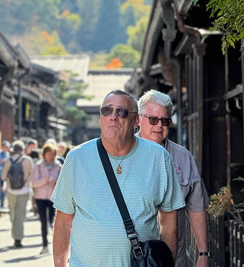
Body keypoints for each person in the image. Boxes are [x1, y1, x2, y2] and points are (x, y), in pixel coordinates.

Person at [51, 90, 185, 267]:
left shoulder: (158, 157)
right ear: (100, 118)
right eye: (107, 110)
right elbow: (63, 221)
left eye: (121, 111)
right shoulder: (77, 158)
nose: (113, 116)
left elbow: (168, 221)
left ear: (136, 120)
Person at [138, 90, 209, 267]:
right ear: (139, 120)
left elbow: (196, 207)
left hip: (173, 258)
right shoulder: (122, 154)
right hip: (132, 257)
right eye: (153, 119)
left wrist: (203, 253)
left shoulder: (183, 158)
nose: (159, 126)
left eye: (165, 121)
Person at [1, 140, 34, 248]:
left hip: (11, 191)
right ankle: (18, 238)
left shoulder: (8, 161)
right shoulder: (28, 160)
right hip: (24, 190)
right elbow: (32, 175)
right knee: (21, 214)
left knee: (13, 214)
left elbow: (3, 177)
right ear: (23, 149)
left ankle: (15, 234)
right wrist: (27, 184)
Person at [32, 143, 61, 255]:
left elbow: (63, 183)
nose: (51, 156)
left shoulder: (58, 166)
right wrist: (44, 180)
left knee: (53, 221)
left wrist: (55, 182)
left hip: (53, 197)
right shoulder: (38, 166)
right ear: (44, 154)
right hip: (40, 197)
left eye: (53, 154)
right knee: (43, 222)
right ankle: (45, 245)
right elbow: (34, 183)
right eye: (49, 154)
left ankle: (55, 245)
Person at [0, 140, 11, 208]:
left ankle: (2, 204)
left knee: (4, 189)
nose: (6, 148)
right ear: (2, 146)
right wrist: (1, 161)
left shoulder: (8, 154)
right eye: (5, 147)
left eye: (7, 147)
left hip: (6, 174)